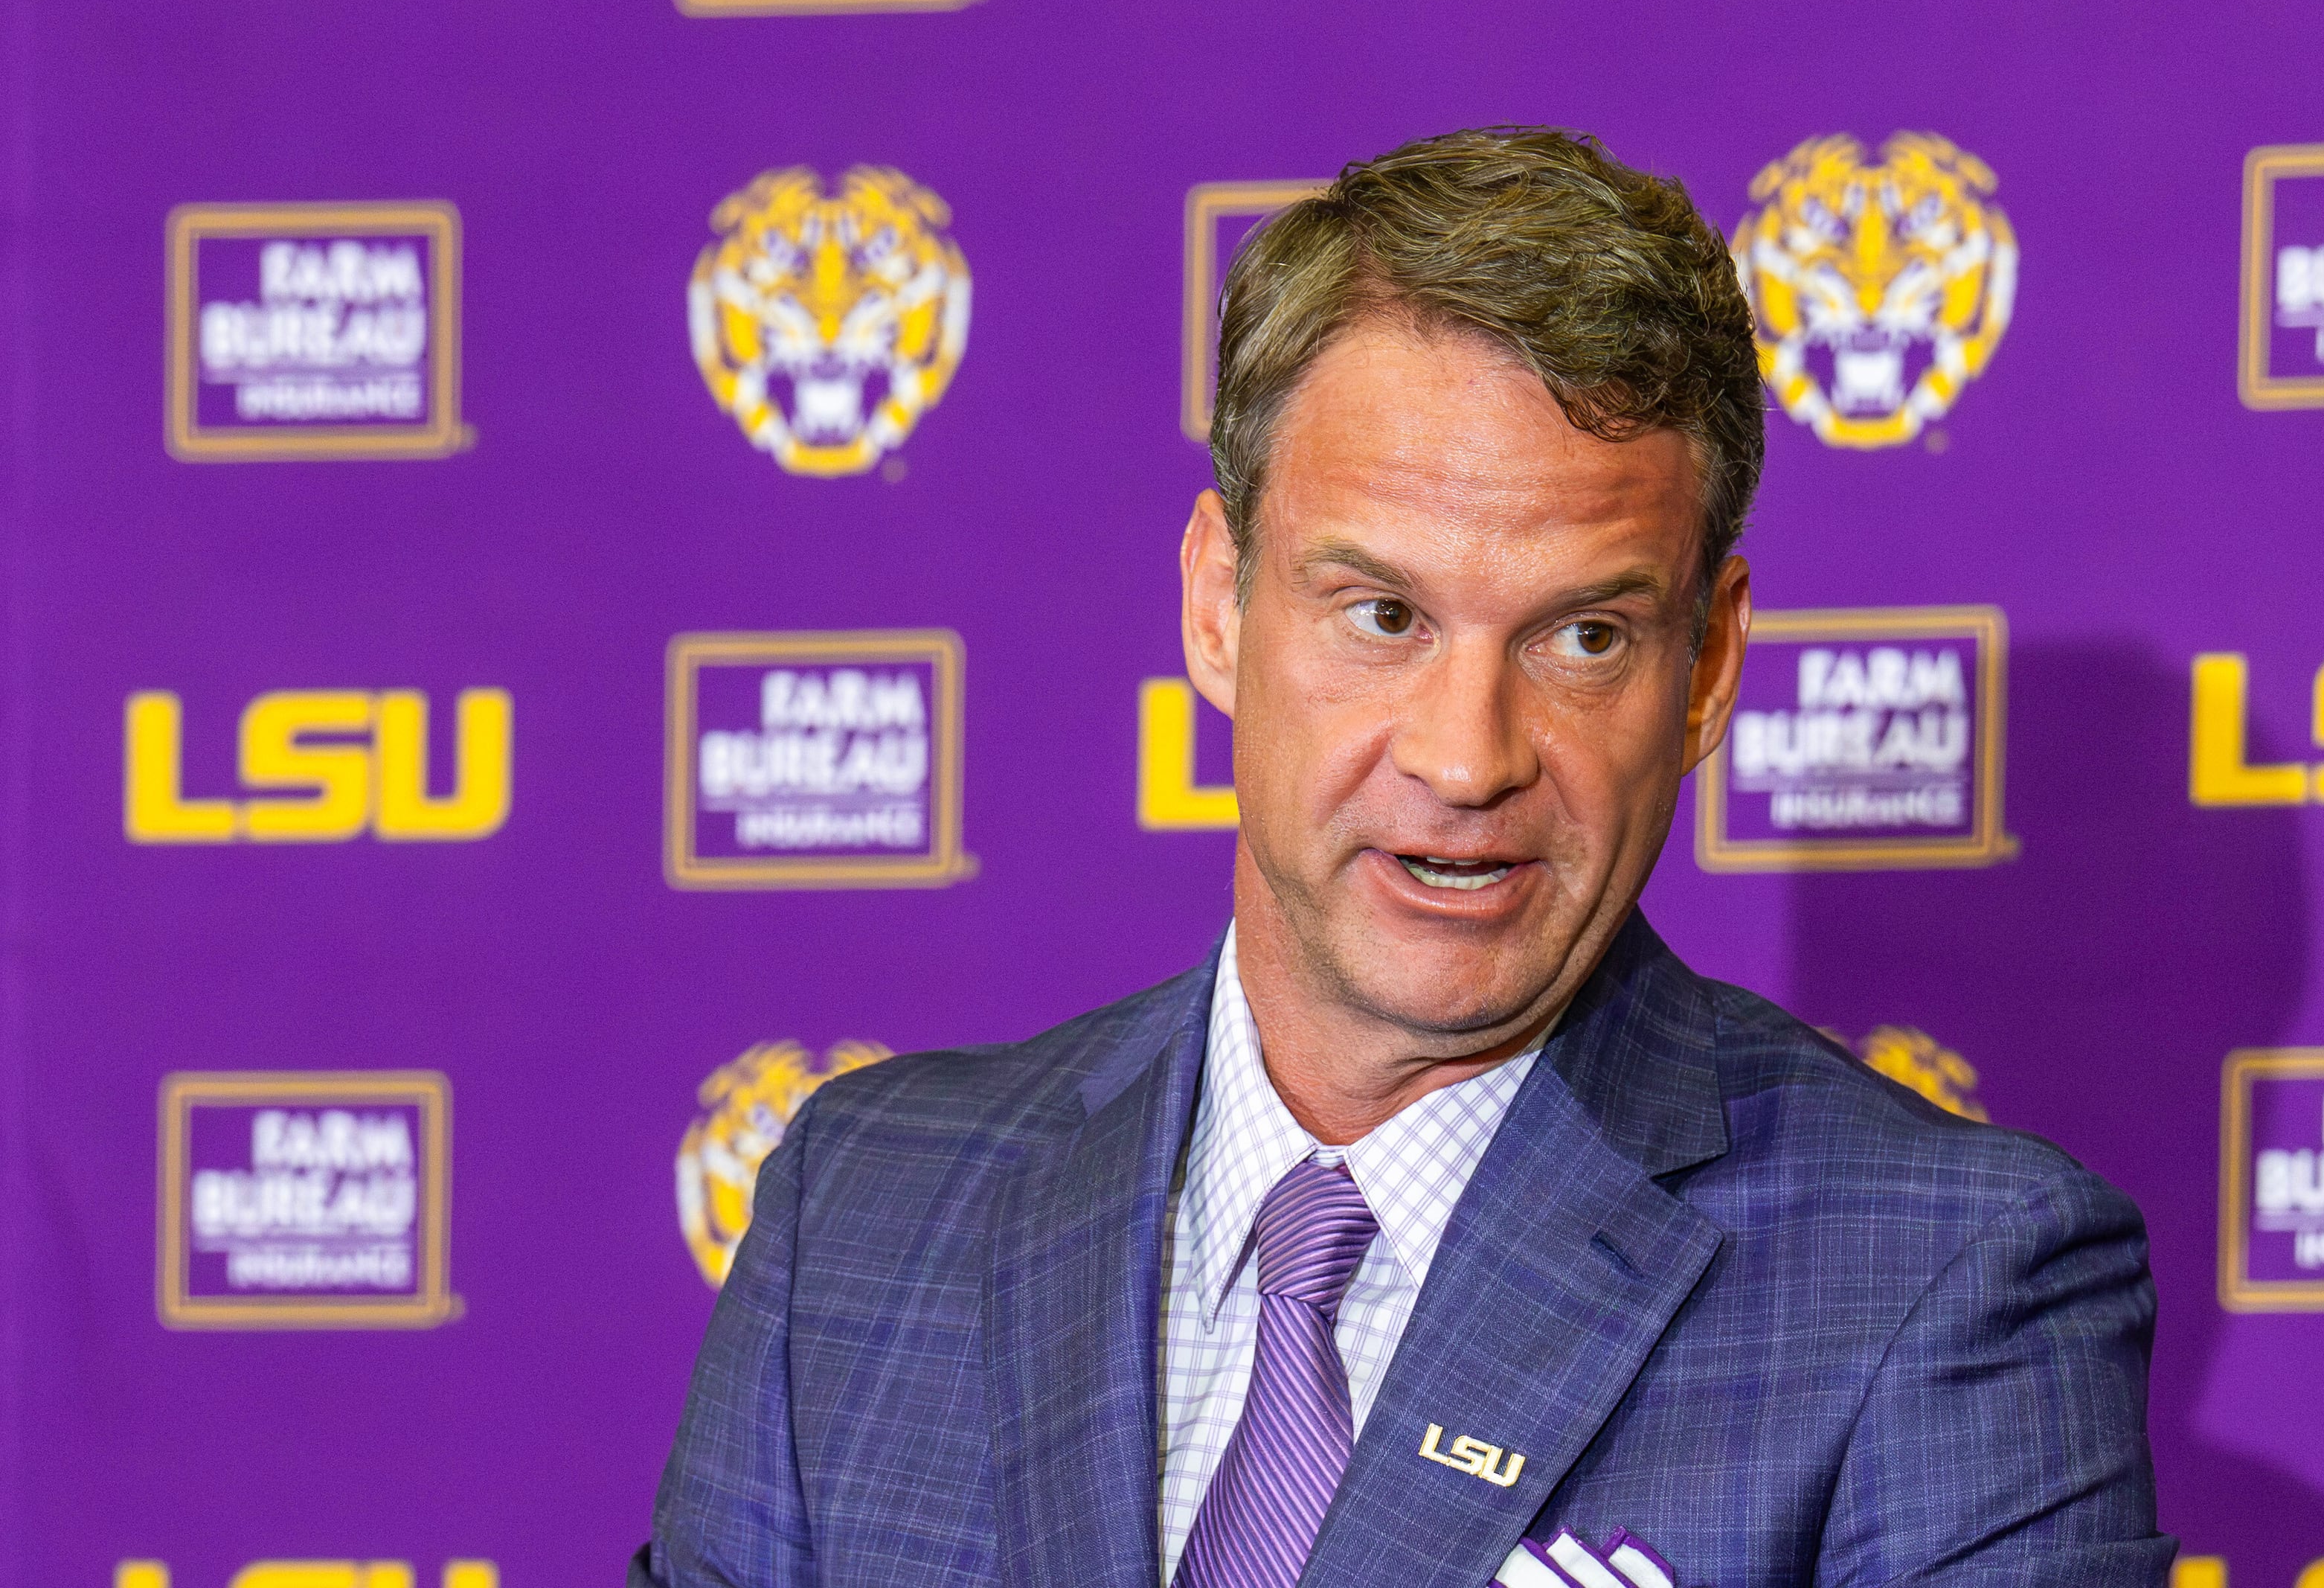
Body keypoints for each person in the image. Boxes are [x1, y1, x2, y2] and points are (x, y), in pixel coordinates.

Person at [636, 126, 2169, 1588]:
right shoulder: (866, 1211)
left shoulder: (1947, 1286)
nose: (1466, 756)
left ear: (1706, 673)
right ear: (1219, 606)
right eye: (1384, 616)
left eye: (1584, 638)